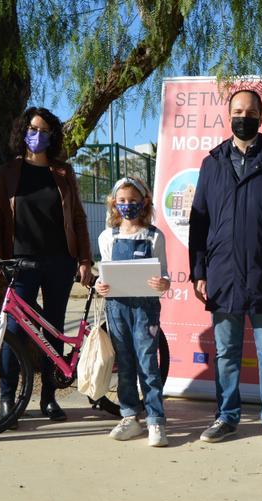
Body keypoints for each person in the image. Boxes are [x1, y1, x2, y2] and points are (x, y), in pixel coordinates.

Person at [188, 88, 262, 448]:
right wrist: (199, 271)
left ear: (260, 115)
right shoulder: (212, 163)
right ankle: (226, 417)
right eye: (237, 110)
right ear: (229, 116)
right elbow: (199, 223)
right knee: (225, 352)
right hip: (223, 275)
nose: (244, 116)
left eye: (250, 111)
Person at [0, 107, 95, 427]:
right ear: (22, 132)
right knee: (14, 331)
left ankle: (48, 396)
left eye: (45, 131)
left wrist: (85, 260)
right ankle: (9, 398)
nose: (38, 136)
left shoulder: (63, 172)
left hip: (60, 262)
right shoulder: (7, 173)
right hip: (20, 263)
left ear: (53, 136)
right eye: (33, 129)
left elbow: (77, 218)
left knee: (53, 330)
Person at [95, 177, 170, 447]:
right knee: (125, 365)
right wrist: (99, 285)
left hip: (145, 309)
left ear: (144, 202)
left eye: (133, 201)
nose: (127, 205)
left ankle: (155, 420)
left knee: (148, 364)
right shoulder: (107, 236)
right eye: (122, 201)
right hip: (117, 309)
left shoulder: (154, 235)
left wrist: (163, 283)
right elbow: (102, 274)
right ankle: (129, 417)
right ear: (114, 204)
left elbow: (164, 275)